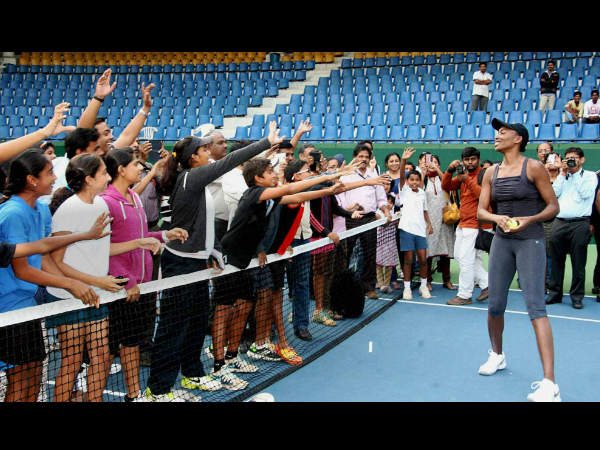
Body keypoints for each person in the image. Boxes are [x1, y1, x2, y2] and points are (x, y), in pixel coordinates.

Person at [143, 123, 283, 401]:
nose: (209, 152)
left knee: (195, 325)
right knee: (173, 328)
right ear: (193, 157)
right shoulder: (190, 178)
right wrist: (266, 141)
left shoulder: (197, 182)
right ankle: (157, 389)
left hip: (197, 263)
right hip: (179, 265)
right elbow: (232, 160)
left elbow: (206, 223)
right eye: (204, 149)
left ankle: (192, 374)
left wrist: (214, 251)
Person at [47, 153, 161, 402]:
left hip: (97, 295)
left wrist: (138, 242)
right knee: (72, 359)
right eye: (103, 174)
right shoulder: (69, 210)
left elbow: (104, 248)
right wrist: (96, 281)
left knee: (100, 353)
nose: (109, 177)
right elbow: (56, 262)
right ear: (89, 179)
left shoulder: (99, 205)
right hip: (71, 297)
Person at [0, 149, 102, 402]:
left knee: (35, 372)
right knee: (19, 378)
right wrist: (70, 284)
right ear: (32, 180)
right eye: (49, 173)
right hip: (9, 308)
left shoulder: (42, 210)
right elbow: (22, 268)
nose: (55, 177)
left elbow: (45, 255)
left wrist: (72, 285)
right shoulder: (12, 213)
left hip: (30, 305)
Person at [477, 118, 561, 402]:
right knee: (495, 304)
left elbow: (553, 206)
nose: (497, 136)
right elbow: (481, 212)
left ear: (518, 139)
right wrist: (497, 217)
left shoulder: (534, 167)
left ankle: (550, 383)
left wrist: (529, 219)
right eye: (497, 132)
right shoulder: (490, 172)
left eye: (503, 132)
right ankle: (497, 355)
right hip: (502, 241)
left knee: (536, 307)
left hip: (531, 241)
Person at [101, 148, 188, 402]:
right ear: (120, 169)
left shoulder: (135, 198)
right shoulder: (106, 202)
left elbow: (139, 239)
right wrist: (126, 281)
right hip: (121, 288)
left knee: (133, 343)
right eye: (136, 165)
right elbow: (104, 249)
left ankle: (133, 394)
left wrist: (165, 235)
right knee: (107, 348)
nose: (141, 168)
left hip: (143, 285)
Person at [338, 144, 392, 300]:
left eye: (366, 157)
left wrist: (386, 213)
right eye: (360, 156)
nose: (363, 160)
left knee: (369, 254)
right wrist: (349, 210)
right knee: (345, 254)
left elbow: (381, 198)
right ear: (355, 157)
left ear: (370, 159)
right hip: (350, 219)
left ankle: (368, 287)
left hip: (370, 219)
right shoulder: (346, 174)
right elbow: (339, 196)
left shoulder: (373, 174)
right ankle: (342, 286)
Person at [546, 147, 598, 309]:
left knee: (578, 262)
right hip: (559, 222)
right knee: (556, 260)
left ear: (582, 160)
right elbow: (553, 194)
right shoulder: (563, 176)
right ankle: (555, 294)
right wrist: (561, 174)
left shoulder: (590, 176)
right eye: (568, 158)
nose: (570, 161)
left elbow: (585, 193)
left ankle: (577, 297)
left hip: (580, 223)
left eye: (574, 158)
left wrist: (574, 174)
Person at [442, 147, 491, 305]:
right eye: (466, 160)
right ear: (462, 160)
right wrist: (449, 171)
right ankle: (488, 284)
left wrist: (466, 180)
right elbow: (446, 186)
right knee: (460, 256)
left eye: (473, 159)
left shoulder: (484, 174)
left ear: (478, 159)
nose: (469, 162)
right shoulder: (463, 175)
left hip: (477, 223)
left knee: (467, 259)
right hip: (463, 222)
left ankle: (464, 295)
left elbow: (483, 195)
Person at [78, 68, 155, 156]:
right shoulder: (83, 158)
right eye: (106, 134)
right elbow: (81, 131)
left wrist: (146, 107)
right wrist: (98, 97)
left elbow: (127, 136)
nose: (112, 137)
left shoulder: (108, 154)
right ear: (92, 140)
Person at [397, 147, 433, 300]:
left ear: (420, 181)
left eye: (416, 180)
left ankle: (423, 287)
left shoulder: (422, 193)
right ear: (407, 181)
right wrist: (404, 159)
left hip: (420, 230)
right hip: (406, 229)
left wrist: (429, 223)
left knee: (423, 260)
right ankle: (407, 288)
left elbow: (424, 210)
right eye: (411, 179)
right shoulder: (404, 190)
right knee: (408, 260)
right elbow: (401, 175)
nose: (414, 182)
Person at [419, 153, 456, 291]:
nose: (431, 164)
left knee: (446, 251)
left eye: (434, 162)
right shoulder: (424, 179)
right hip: (428, 221)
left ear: (439, 165)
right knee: (428, 251)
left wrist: (438, 171)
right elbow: (418, 191)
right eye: (429, 162)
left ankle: (447, 280)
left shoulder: (444, 176)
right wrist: (423, 173)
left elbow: (449, 185)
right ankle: (427, 281)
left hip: (445, 219)